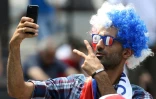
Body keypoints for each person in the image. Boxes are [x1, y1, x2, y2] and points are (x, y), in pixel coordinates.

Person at [7, 2, 153, 99]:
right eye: (96, 38)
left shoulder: (140, 95)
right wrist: (14, 47)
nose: (99, 45)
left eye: (108, 40)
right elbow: (18, 91)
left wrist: (99, 75)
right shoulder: (74, 85)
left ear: (127, 52)